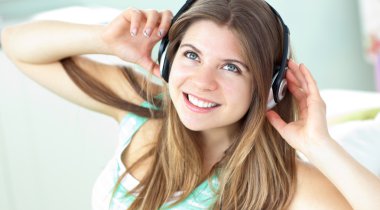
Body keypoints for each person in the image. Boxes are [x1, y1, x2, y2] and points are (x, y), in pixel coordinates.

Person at [2, 0, 380, 209]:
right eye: (192, 55)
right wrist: (105, 40)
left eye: (231, 67)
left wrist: (321, 146)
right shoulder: (145, 106)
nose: (202, 82)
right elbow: (18, 45)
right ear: (168, 57)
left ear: (270, 86)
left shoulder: (287, 187)